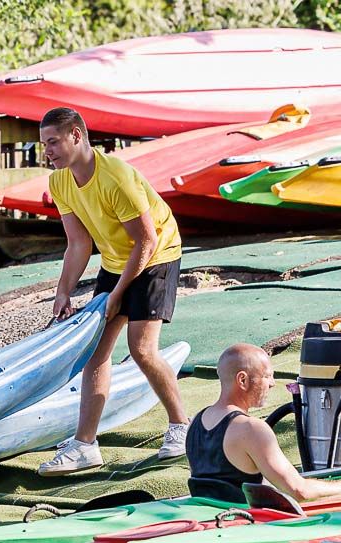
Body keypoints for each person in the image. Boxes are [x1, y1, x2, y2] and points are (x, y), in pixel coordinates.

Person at [37, 106, 190, 476]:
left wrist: (119, 295)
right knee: (96, 352)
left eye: (53, 142)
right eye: (44, 144)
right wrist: (63, 291)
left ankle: (181, 426)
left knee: (141, 349)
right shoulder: (59, 182)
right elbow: (78, 243)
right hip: (116, 258)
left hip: (157, 256)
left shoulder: (115, 177)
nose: (48, 152)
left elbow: (147, 240)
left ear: (76, 135)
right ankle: (85, 444)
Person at [187, 343, 341, 503]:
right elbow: (299, 490)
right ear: (242, 380)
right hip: (243, 521)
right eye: (267, 376)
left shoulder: (196, 421)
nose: (272, 383)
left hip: (208, 520)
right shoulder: (250, 429)